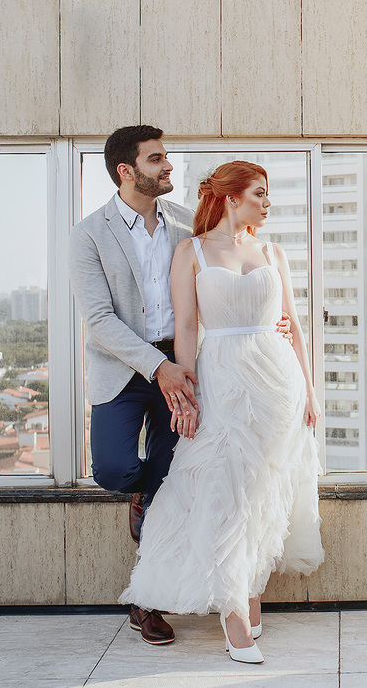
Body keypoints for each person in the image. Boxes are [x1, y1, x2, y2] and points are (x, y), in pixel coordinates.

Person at [69, 127, 290, 646]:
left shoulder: (183, 232)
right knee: (118, 470)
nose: (168, 168)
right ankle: (142, 495)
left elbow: (212, 295)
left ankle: (147, 603)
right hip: (127, 372)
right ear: (127, 170)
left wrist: (267, 322)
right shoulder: (88, 234)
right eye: (157, 160)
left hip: (187, 370)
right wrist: (157, 367)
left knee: (173, 484)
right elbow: (99, 320)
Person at [119, 160, 324, 665]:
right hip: (223, 381)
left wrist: (311, 392)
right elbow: (186, 329)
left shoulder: (273, 251)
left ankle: (251, 591)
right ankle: (233, 613)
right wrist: (186, 393)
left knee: (265, 492)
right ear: (232, 197)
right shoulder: (191, 251)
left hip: (277, 384)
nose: (268, 202)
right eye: (260, 193)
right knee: (225, 492)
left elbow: (293, 326)